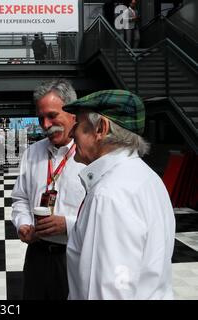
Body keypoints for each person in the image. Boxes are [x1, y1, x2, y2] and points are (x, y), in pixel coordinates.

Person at [64, 89, 176, 299]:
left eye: (77, 124)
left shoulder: (108, 194)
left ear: (101, 128)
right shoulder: (149, 178)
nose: (71, 134)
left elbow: (108, 291)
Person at [11, 79, 86, 300]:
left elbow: (105, 215)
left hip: (74, 255)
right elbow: (20, 198)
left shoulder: (90, 156)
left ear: (73, 113)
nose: (45, 124)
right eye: (41, 118)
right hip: (37, 254)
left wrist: (67, 225)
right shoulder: (32, 153)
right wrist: (23, 224)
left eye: (52, 115)